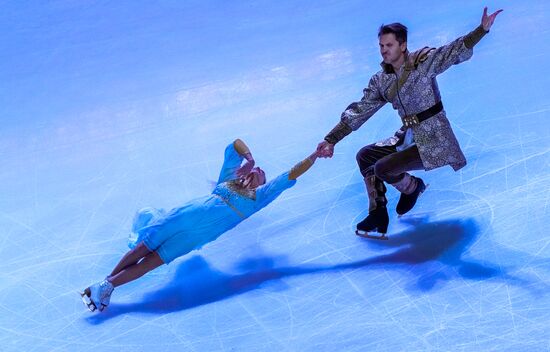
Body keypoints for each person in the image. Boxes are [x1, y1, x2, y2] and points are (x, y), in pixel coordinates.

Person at [316, 7, 503, 239]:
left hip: (435, 138)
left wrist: (481, 30)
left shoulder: (422, 63)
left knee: (383, 168)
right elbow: (360, 110)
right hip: (409, 135)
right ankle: (377, 216)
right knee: (365, 156)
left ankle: (412, 187)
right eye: (381, 46)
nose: (384, 50)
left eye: (389, 45)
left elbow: (451, 52)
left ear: (402, 45)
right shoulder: (381, 80)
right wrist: (331, 138)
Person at [81, 139, 320, 312]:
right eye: (258, 169)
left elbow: (290, 174)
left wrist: (315, 155)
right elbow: (235, 142)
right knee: (140, 251)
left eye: (262, 173)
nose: (259, 171)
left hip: (194, 237)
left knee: (150, 264)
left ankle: (105, 285)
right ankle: (105, 285)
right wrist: (250, 159)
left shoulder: (258, 199)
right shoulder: (229, 176)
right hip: (181, 215)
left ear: (263, 185)